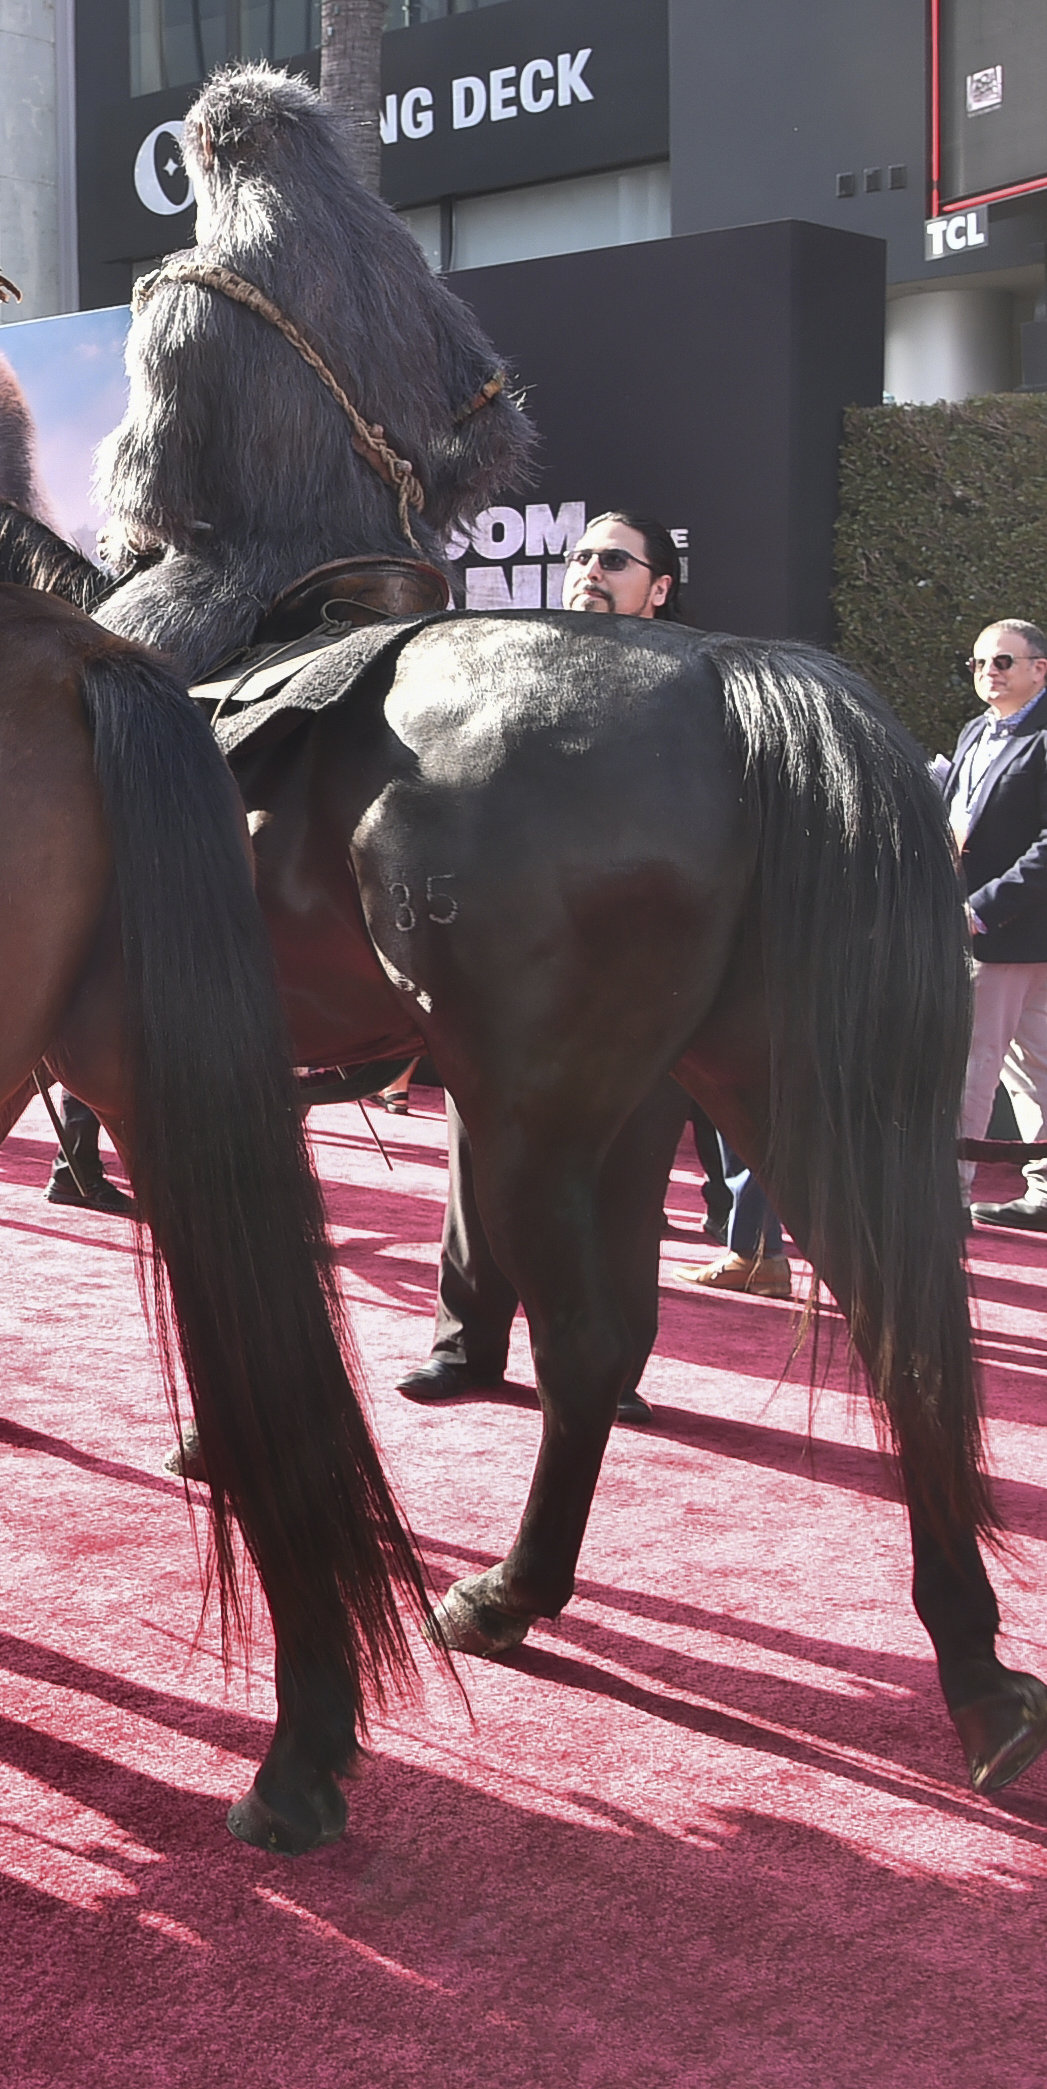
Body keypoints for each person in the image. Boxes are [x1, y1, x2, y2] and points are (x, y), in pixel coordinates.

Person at [404, 513, 684, 1422]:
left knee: (625, 1184)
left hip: (640, 984)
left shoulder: (693, 690)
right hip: (505, 973)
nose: (588, 571)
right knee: (477, 1163)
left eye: (612, 560)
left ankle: (609, 1371)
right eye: (579, 556)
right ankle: (465, 1347)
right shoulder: (516, 666)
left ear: (660, 587)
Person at [949, 619, 1047, 1237]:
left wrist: (982, 907)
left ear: (1041, 668)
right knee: (1029, 1059)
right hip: (973, 921)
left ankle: (946, 1194)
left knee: (972, 1060)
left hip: (1008, 928)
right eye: (981, 662)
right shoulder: (974, 730)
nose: (991, 672)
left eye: (1005, 662)